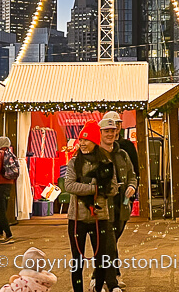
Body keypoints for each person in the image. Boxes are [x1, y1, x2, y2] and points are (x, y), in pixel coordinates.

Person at [63, 121, 118, 292]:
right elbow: (69, 186)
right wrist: (95, 189)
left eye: (86, 140)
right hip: (76, 218)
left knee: (101, 260)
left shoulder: (106, 162)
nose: (83, 143)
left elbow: (114, 188)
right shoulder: (74, 163)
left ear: (94, 141)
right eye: (81, 140)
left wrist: (104, 189)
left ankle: (99, 288)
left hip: (99, 218)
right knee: (77, 260)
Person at [93, 111, 137, 292]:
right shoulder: (93, 155)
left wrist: (133, 187)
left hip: (122, 205)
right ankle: (111, 282)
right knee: (108, 243)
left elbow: (133, 175)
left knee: (111, 242)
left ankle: (98, 277)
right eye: (107, 131)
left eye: (113, 130)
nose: (111, 133)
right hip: (102, 207)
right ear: (100, 132)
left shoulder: (123, 154)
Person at [0, 136, 16, 244]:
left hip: (0, 184)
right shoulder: (10, 154)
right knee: (3, 209)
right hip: (9, 184)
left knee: (1, 211)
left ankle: (8, 235)